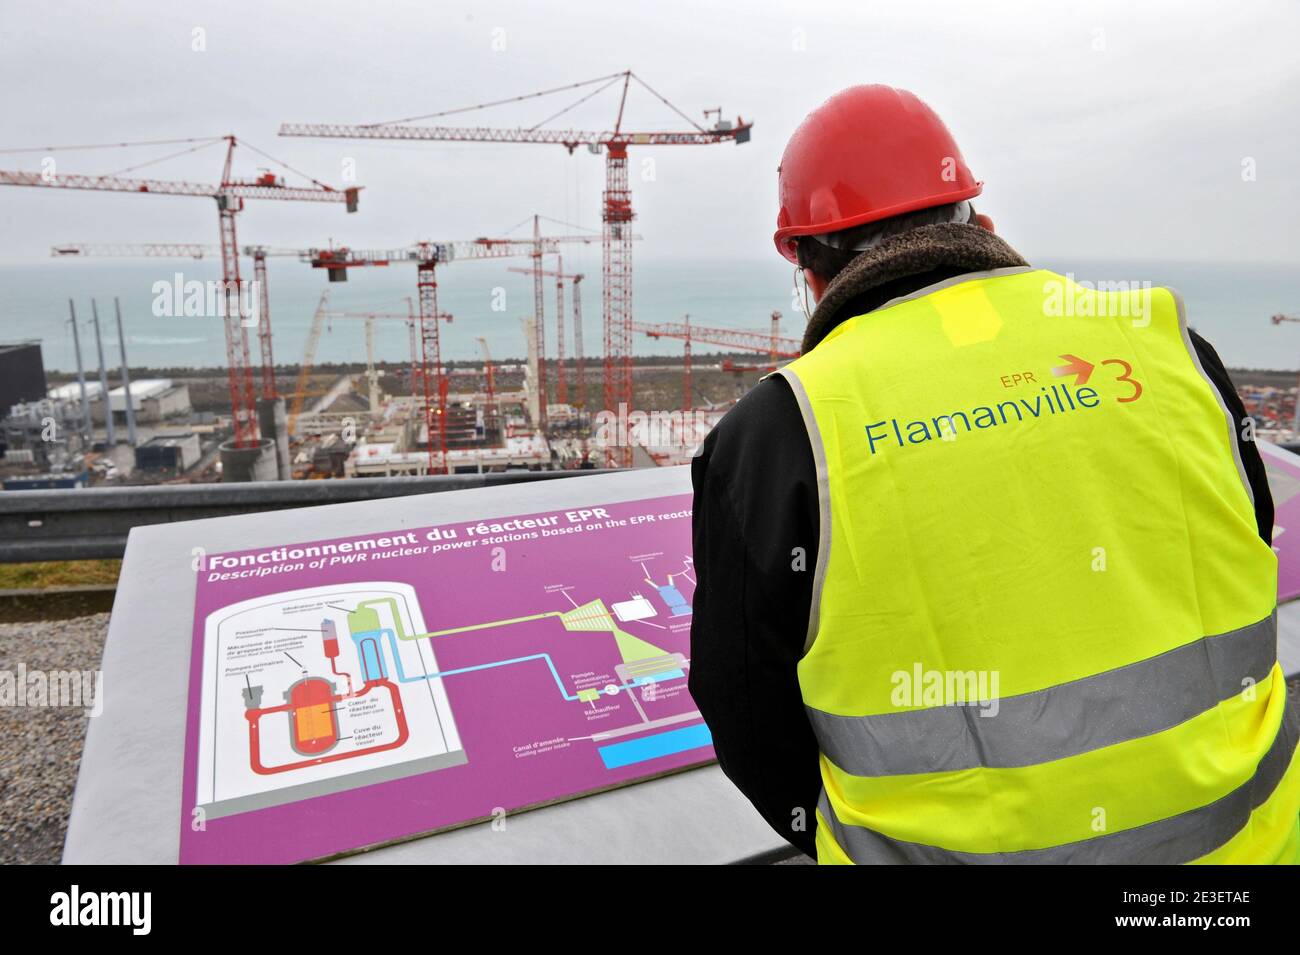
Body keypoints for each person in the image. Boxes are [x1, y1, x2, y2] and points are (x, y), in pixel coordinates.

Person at [688, 84, 1300, 864]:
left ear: (805, 264)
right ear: (979, 218)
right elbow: (1248, 535)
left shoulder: (781, 432)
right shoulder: (1166, 342)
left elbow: (745, 706)